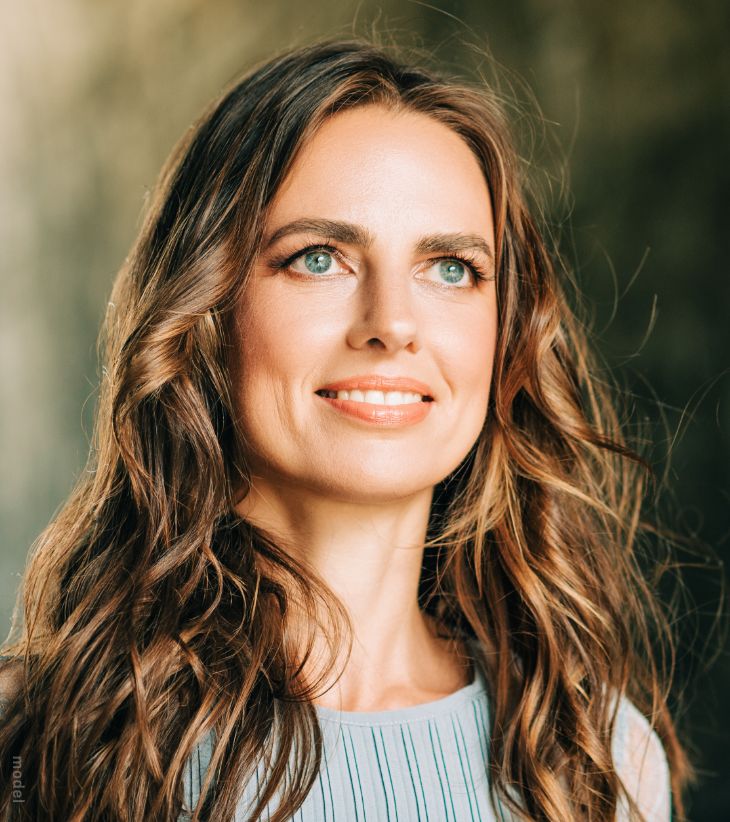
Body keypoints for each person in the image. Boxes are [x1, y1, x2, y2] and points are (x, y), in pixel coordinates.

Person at [0, 36, 695, 821]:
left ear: (506, 337)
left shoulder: (602, 761)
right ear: (204, 309)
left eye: (451, 268)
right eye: (320, 258)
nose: (392, 325)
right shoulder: (35, 743)